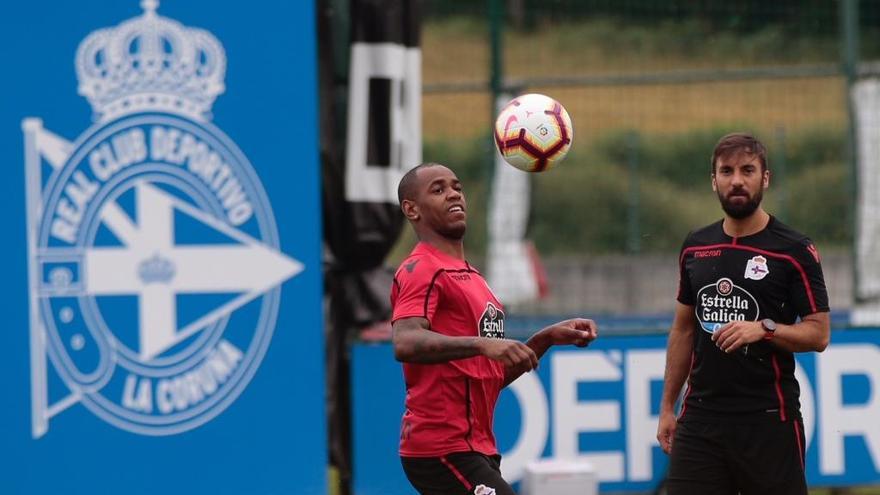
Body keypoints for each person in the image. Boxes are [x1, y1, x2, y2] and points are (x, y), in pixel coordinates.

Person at [391, 162, 598, 495]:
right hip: (441, 447)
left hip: (479, 447)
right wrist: (481, 345)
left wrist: (544, 339)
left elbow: (488, 376)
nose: (454, 194)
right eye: (438, 189)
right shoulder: (420, 269)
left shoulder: (473, 279)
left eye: (456, 186)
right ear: (411, 209)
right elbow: (405, 341)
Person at [656, 133, 830, 494]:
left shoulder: (794, 249)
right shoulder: (696, 246)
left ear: (764, 178)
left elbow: (818, 334)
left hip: (769, 421)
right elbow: (683, 331)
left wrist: (764, 330)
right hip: (701, 420)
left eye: (747, 170)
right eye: (727, 171)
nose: (737, 180)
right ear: (714, 180)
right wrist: (667, 407)